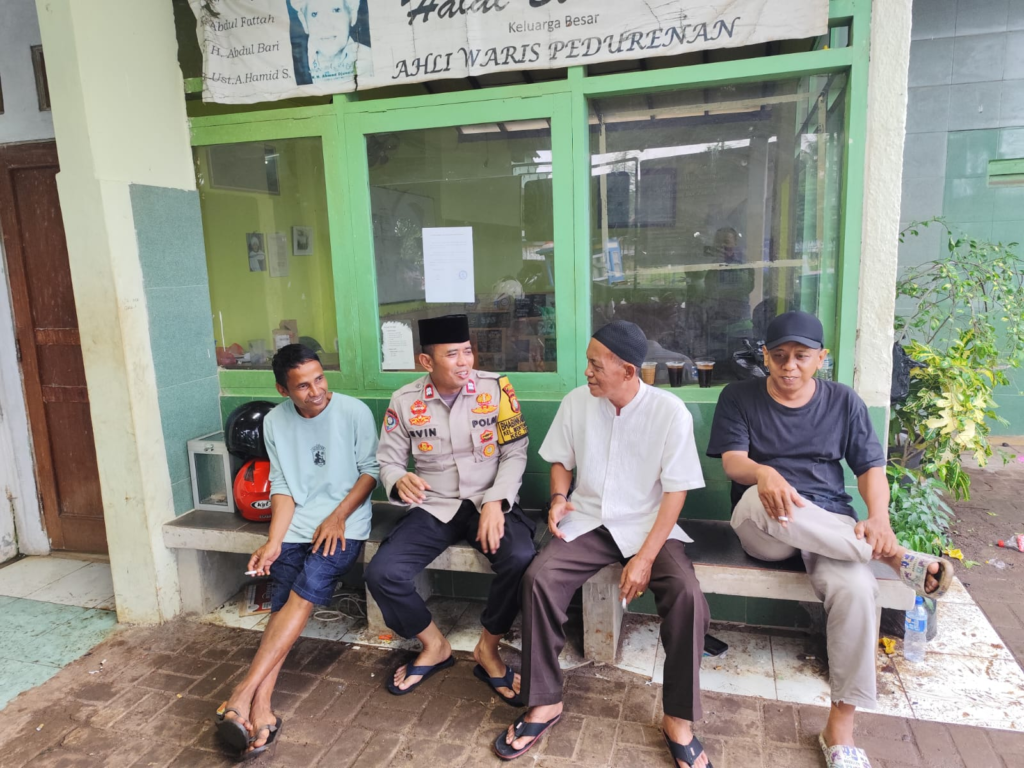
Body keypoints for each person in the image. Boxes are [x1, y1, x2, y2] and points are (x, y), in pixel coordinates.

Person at [706, 310, 953, 768]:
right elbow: (733, 462)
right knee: (766, 498)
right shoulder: (739, 396)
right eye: (779, 355)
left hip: (830, 527)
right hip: (765, 527)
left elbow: (870, 468)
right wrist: (764, 472)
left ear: (821, 358)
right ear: (765, 357)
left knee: (858, 588)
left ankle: (840, 729)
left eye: (802, 356)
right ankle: (894, 557)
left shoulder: (843, 401)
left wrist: (878, 518)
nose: (789, 366)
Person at [495, 320, 714, 768]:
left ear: (628, 370)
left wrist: (645, 558)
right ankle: (545, 701)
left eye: (596, 365)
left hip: (648, 525)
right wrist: (559, 497)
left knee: (687, 596)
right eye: (588, 363)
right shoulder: (577, 402)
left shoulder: (669, 412)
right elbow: (561, 461)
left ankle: (678, 719)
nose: (587, 372)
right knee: (539, 579)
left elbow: (676, 492)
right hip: (589, 520)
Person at [214, 344, 379, 760]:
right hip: (297, 525)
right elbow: (284, 486)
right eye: (303, 386)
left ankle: (242, 694)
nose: (316, 390)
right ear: (282, 389)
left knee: (303, 595)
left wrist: (337, 517)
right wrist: (274, 541)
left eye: (319, 378)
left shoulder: (354, 412)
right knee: (283, 602)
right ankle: (262, 709)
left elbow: (370, 473)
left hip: (345, 523)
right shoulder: (275, 421)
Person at [367, 314, 536, 705]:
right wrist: (398, 479)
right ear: (427, 361)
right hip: (434, 505)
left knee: (520, 557)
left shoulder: (497, 389)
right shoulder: (405, 401)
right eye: (452, 355)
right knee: (383, 572)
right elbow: (388, 461)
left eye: (467, 352)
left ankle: (488, 649)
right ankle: (434, 645)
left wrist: (495, 502)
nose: (464, 362)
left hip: (487, 499)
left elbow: (515, 452)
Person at [291, 0, 373, 83]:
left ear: (352, 15)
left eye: (336, 10)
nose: (326, 24)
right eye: (314, 14)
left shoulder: (369, 59)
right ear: (304, 22)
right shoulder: (295, 66)